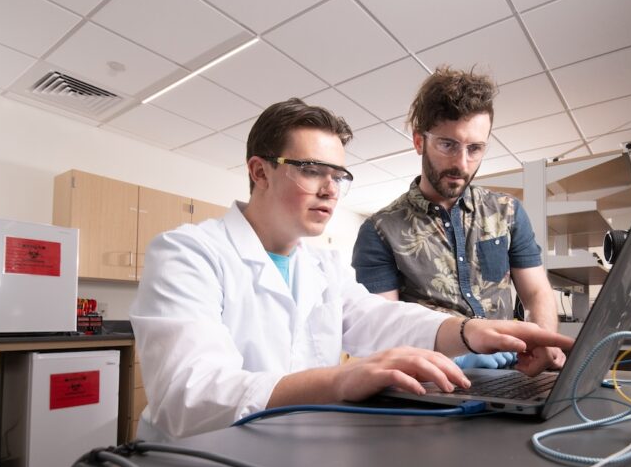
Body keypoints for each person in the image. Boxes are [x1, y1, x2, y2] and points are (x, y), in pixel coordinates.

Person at [130, 98, 573, 440]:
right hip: (198, 465)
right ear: (259, 172)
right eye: (311, 170)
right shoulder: (188, 253)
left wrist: (466, 331)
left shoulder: (321, 264)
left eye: (338, 175)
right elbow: (188, 397)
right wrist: (340, 380)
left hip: (287, 451)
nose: (330, 190)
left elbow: (376, 318)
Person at [352, 66, 566, 371]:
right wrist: (461, 355)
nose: (461, 164)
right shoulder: (380, 231)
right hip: (437, 379)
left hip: (516, 372)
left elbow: (536, 292)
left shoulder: (508, 212)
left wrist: (544, 341)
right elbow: (380, 329)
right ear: (418, 142)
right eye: (447, 145)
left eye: (475, 148)